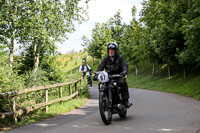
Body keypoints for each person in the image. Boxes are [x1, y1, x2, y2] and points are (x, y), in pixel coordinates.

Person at [95, 42, 132, 108]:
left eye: (112, 50)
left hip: (118, 76)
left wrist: (124, 71)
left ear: (116, 51)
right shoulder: (106, 59)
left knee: (123, 82)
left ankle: (125, 100)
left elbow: (124, 65)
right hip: (108, 77)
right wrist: (97, 74)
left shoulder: (120, 58)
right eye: (109, 50)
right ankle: (103, 99)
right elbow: (101, 67)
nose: (111, 51)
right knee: (100, 84)